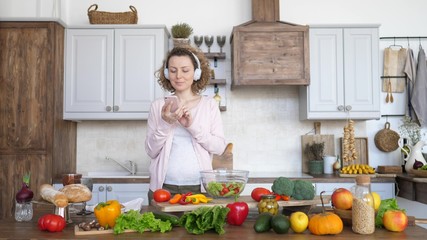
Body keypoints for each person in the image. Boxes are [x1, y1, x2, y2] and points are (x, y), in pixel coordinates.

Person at [145, 45, 226, 203]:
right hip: (163, 188)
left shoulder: (209, 105)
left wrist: (192, 126)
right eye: (173, 70)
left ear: (196, 73)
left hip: (199, 188)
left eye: (185, 70)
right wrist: (165, 123)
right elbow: (151, 151)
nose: (179, 76)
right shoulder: (157, 106)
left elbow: (219, 147)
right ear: (167, 73)